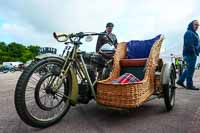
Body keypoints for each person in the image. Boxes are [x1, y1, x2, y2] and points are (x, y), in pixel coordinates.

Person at [176, 20, 200, 90]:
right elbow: (189, 44)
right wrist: (194, 53)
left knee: (189, 69)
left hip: (192, 53)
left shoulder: (195, 34)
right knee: (191, 69)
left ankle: (180, 81)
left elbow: (197, 44)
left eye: (198, 25)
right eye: (195, 24)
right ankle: (189, 84)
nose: (197, 26)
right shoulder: (189, 33)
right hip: (190, 54)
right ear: (191, 25)